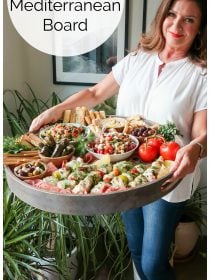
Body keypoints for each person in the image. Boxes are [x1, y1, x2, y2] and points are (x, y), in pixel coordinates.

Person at [30, 0, 207, 279]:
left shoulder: (201, 74)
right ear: (162, 17)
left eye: (189, 20)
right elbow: (95, 93)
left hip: (167, 178)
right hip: (122, 171)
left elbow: (201, 134)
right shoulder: (137, 59)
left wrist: (196, 148)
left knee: (152, 263)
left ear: (199, 30)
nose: (176, 24)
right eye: (172, 14)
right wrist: (55, 111)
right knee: (135, 249)